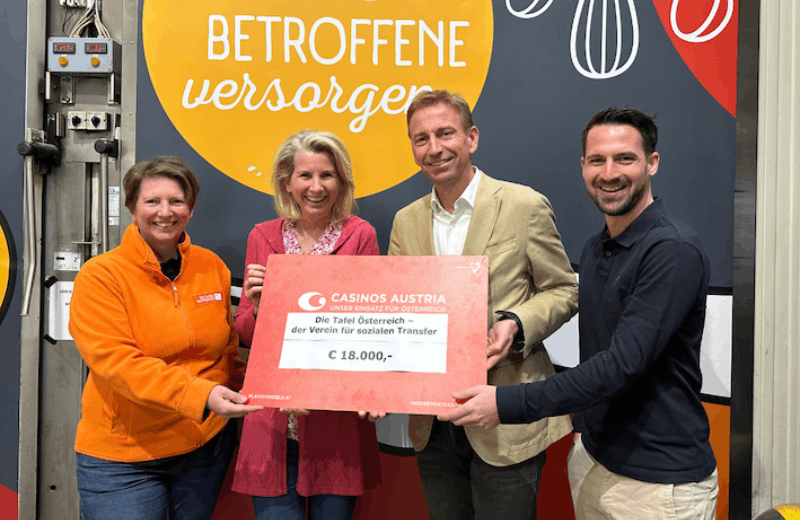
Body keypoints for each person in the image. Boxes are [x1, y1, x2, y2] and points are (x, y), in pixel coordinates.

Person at [440, 107, 719, 519]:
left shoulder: (672, 251)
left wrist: (506, 402)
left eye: (625, 158)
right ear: (583, 166)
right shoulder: (596, 247)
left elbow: (620, 366)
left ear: (652, 163)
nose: (609, 173)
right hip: (593, 460)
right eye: (597, 160)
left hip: (658, 484)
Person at [388, 89, 578, 520]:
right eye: (421, 139)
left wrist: (517, 322)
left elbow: (564, 290)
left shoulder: (524, 205)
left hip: (506, 414)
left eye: (445, 133)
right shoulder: (405, 221)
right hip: (432, 422)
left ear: (471, 137)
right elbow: (397, 313)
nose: (434, 149)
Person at [69, 156, 262, 520]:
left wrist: (269, 390)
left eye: (176, 201)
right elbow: (118, 363)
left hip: (204, 448)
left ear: (191, 208)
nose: (165, 212)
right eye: (152, 201)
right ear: (132, 208)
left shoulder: (211, 266)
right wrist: (201, 395)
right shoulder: (101, 276)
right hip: (126, 459)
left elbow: (224, 353)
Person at [232, 130, 381, 520]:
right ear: (287, 182)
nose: (316, 187)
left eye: (327, 175)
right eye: (305, 176)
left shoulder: (360, 236)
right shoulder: (262, 236)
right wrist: (260, 309)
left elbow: (372, 327)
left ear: (341, 182)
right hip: (271, 422)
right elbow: (245, 334)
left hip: (336, 421)